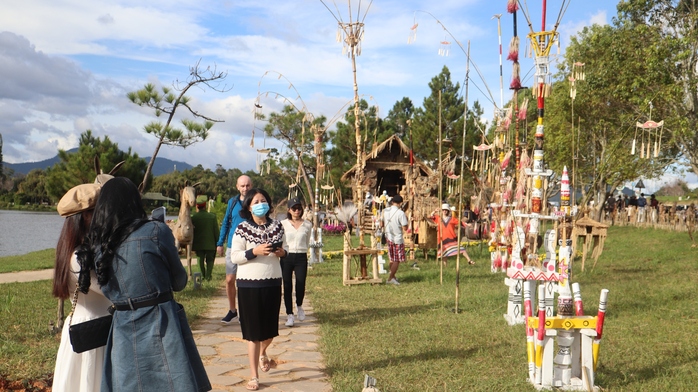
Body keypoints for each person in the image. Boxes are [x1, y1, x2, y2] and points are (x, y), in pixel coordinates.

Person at [77, 177, 210, 392]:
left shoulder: (99, 244)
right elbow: (179, 282)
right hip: (161, 322)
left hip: (121, 326)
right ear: (134, 202)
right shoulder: (156, 231)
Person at [52, 183, 112, 392]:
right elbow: (113, 293)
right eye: (97, 213)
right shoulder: (79, 258)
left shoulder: (80, 252)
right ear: (83, 218)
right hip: (92, 335)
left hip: (93, 330)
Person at [229, 188, 287, 391]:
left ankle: (264, 352)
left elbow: (284, 249)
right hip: (249, 285)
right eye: (256, 201)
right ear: (249, 206)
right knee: (253, 333)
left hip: (272, 283)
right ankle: (254, 376)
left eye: (263, 200)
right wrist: (254, 251)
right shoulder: (242, 228)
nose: (260, 204)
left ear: (269, 205)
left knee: (270, 331)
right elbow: (234, 257)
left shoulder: (278, 226)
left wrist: (282, 252)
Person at [217, 175, 253, 324]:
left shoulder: (255, 201)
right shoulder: (232, 202)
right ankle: (232, 310)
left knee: (247, 281)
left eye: (248, 185)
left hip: (251, 246)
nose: (245, 188)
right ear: (237, 187)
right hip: (233, 246)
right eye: (242, 186)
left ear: (252, 186)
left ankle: (247, 311)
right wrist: (220, 243)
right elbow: (226, 223)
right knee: (230, 279)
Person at [281, 197, 313, 327]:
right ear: (289, 210)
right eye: (294, 208)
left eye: (299, 208)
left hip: (300, 256)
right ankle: (289, 314)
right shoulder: (283, 224)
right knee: (287, 286)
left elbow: (307, 241)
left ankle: (299, 305)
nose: (297, 211)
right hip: (287, 256)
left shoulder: (307, 224)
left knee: (300, 284)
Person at [381, 195, 408, 285]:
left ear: (392, 202)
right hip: (397, 238)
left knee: (392, 258)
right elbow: (405, 227)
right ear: (400, 203)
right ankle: (390, 278)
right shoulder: (401, 213)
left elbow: (381, 223)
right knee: (397, 259)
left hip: (388, 236)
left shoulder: (385, 211)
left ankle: (393, 276)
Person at [191, 195, 219, 281]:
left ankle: (202, 276)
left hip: (198, 244)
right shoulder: (212, 217)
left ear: (197, 206)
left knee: (200, 260)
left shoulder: (193, 218)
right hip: (210, 243)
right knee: (210, 260)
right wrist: (218, 243)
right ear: (205, 205)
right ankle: (208, 276)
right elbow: (216, 231)